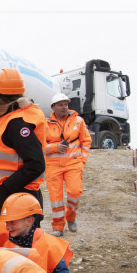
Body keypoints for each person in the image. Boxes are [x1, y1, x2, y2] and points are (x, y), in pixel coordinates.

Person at [0, 67, 46, 210]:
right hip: (9, 196)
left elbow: (36, 164)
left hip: (16, 199)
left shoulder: (16, 124)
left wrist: (4, 190)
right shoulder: (6, 120)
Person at [0, 192, 73, 273]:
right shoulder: (7, 246)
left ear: (29, 221)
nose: (8, 226)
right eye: (6, 222)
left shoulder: (49, 243)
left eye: (13, 222)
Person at [45, 92, 91, 237]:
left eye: (66, 104)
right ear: (53, 107)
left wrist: (82, 161)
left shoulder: (78, 121)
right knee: (56, 199)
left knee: (75, 192)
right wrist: (54, 148)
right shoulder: (44, 124)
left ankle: (71, 217)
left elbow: (86, 142)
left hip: (73, 164)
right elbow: (39, 145)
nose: (64, 107)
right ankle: (58, 227)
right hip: (53, 166)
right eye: (60, 105)